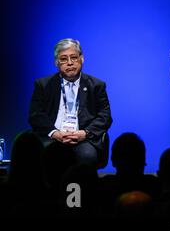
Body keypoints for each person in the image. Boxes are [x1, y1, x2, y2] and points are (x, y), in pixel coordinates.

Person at [28, 38, 112, 167]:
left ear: (81, 59)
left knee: (88, 156)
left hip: (83, 138)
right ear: (57, 63)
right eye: (63, 59)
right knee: (43, 156)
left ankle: (82, 188)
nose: (69, 63)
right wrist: (55, 133)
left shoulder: (96, 86)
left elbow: (105, 116)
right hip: (52, 137)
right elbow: (35, 115)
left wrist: (85, 133)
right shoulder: (43, 85)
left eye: (74, 57)